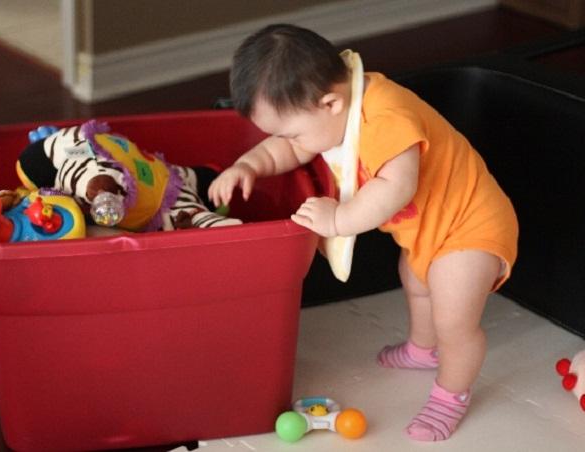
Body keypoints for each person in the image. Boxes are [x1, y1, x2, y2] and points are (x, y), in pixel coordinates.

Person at [208, 23, 518, 441]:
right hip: (425, 230)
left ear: (331, 103)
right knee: (416, 281)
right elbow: (292, 147)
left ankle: (450, 395)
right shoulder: (330, 114)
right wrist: (248, 166)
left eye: (291, 131)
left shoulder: (385, 115)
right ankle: (423, 350)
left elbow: (397, 186)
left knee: (454, 319)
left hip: (471, 223)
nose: (289, 142)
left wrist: (337, 220)